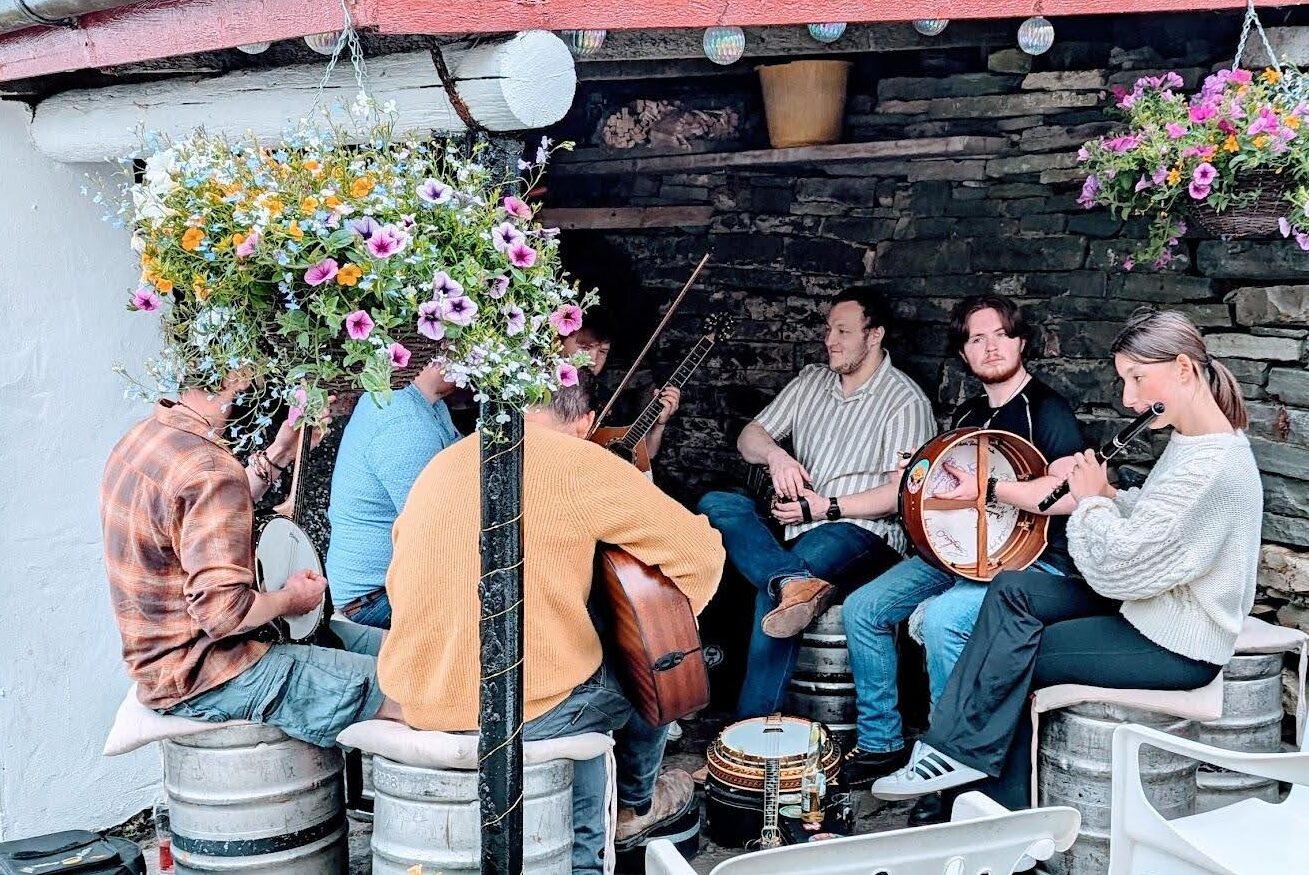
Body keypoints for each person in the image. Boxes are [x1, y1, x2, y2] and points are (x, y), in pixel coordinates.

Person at [869, 309, 1262, 809]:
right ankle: (954, 753)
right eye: (1125, 382)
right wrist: (1112, 496)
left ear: (1183, 369)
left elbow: (1123, 569)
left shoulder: (1212, 465)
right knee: (1013, 587)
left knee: (1019, 657)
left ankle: (994, 812)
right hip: (1151, 608)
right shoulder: (1192, 442)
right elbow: (1162, 518)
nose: (1129, 399)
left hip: (1176, 641)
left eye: (1137, 379)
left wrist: (1094, 500)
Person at [378, 370, 725, 874]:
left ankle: (603, 820)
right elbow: (701, 555)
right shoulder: (578, 461)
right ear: (585, 422)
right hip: (524, 707)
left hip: (421, 695)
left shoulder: (444, 463)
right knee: (663, 664)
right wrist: (648, 627)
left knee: (584, 670)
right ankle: (632, 806)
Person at [841, 295, 1088, 821]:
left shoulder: (1047, 409)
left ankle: (949, 767)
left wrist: (995, 486)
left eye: (1000, 334)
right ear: (964, 353)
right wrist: (922, 473)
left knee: (946, 618)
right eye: (977, 338)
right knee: (863, 608)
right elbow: (950, 491)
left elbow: (1070, 493)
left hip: (1023, 558)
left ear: (1021, 341)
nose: (990, 346)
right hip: (957, 551)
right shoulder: (970, 412)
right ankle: (882, 741)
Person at [100, 374, 404, 749]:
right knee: (420, 690)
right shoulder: (209, 469)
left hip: (168, 662)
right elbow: (225, 615)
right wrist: (294, 599)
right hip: (209, 672)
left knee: (413, 650)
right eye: (254, 375)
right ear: (232, 376)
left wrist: (279, 453)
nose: (261, 384)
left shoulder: (147, 438)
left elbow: (205, 512)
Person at [697, 288, 935, 719]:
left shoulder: (905, 402)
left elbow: (901, 498)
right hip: (792, 523)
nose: (831, 340)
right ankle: (790, 581)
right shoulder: (811, 382)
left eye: (843, 331)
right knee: (716, 504)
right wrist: (777, 455)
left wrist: (825, 507)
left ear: (875, 335)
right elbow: (749, 436)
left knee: (772, 596)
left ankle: (750, 738)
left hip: (860, 531)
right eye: (829, 329)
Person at [325, 361, 459, 628]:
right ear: (437, 357)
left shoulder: (421, 402)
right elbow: (440, 530)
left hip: (386, 588)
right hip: (374, 602)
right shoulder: (403, 422)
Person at [563, 306, 679, 459]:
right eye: (585, 348)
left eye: (603, 351)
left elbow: (638, 461)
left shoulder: (605, 398)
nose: (593, 360)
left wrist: (658, 426)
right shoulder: (536, 388)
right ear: (559, 341)